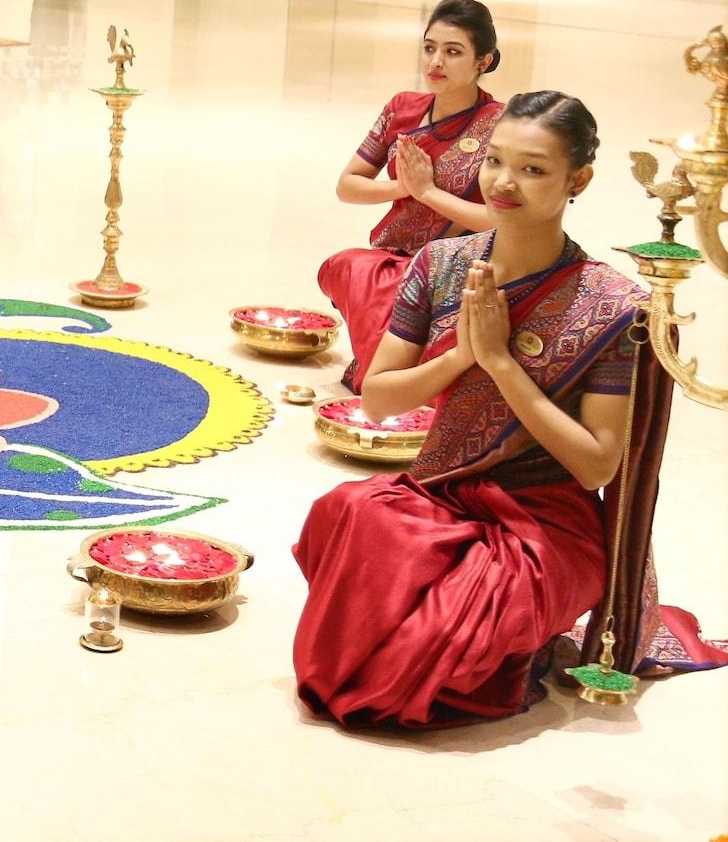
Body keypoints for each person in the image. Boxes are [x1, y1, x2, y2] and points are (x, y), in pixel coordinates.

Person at [293, 91, 725, 729]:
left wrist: (501, 363)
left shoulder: (613, 307)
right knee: (350, 512)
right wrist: (462, 356)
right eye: (495, 161)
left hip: (544, 520)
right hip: (443, 489)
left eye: (533, 168)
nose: (503, 182)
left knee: (413, 664)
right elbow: (379, 397)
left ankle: (507, 644)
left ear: (579, 180)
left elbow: (597, 466)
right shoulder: (441, 266)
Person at [319, 0, 504, 391]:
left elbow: (499, 220)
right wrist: (402, 188)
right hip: (395, 256)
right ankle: (390, 377)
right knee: (349, 267)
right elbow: (348, 185)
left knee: (407, 293)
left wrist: (427, 192)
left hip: (458, 265)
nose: (435, 62)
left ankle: (384, 380)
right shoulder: (403, 108)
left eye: (453, 52)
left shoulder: (500, 126)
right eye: (429, 47)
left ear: (483, 61)